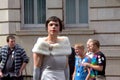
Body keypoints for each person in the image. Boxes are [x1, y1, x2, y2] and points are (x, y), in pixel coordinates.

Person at [32, 16, 71, 80]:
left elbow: (66, 67)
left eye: (56, 25)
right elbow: (37, 68)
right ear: (47, 27)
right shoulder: (41, 44)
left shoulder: (64, 44)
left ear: (60, 28)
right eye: (51, 25)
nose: (53, 27)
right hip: (47, 77)